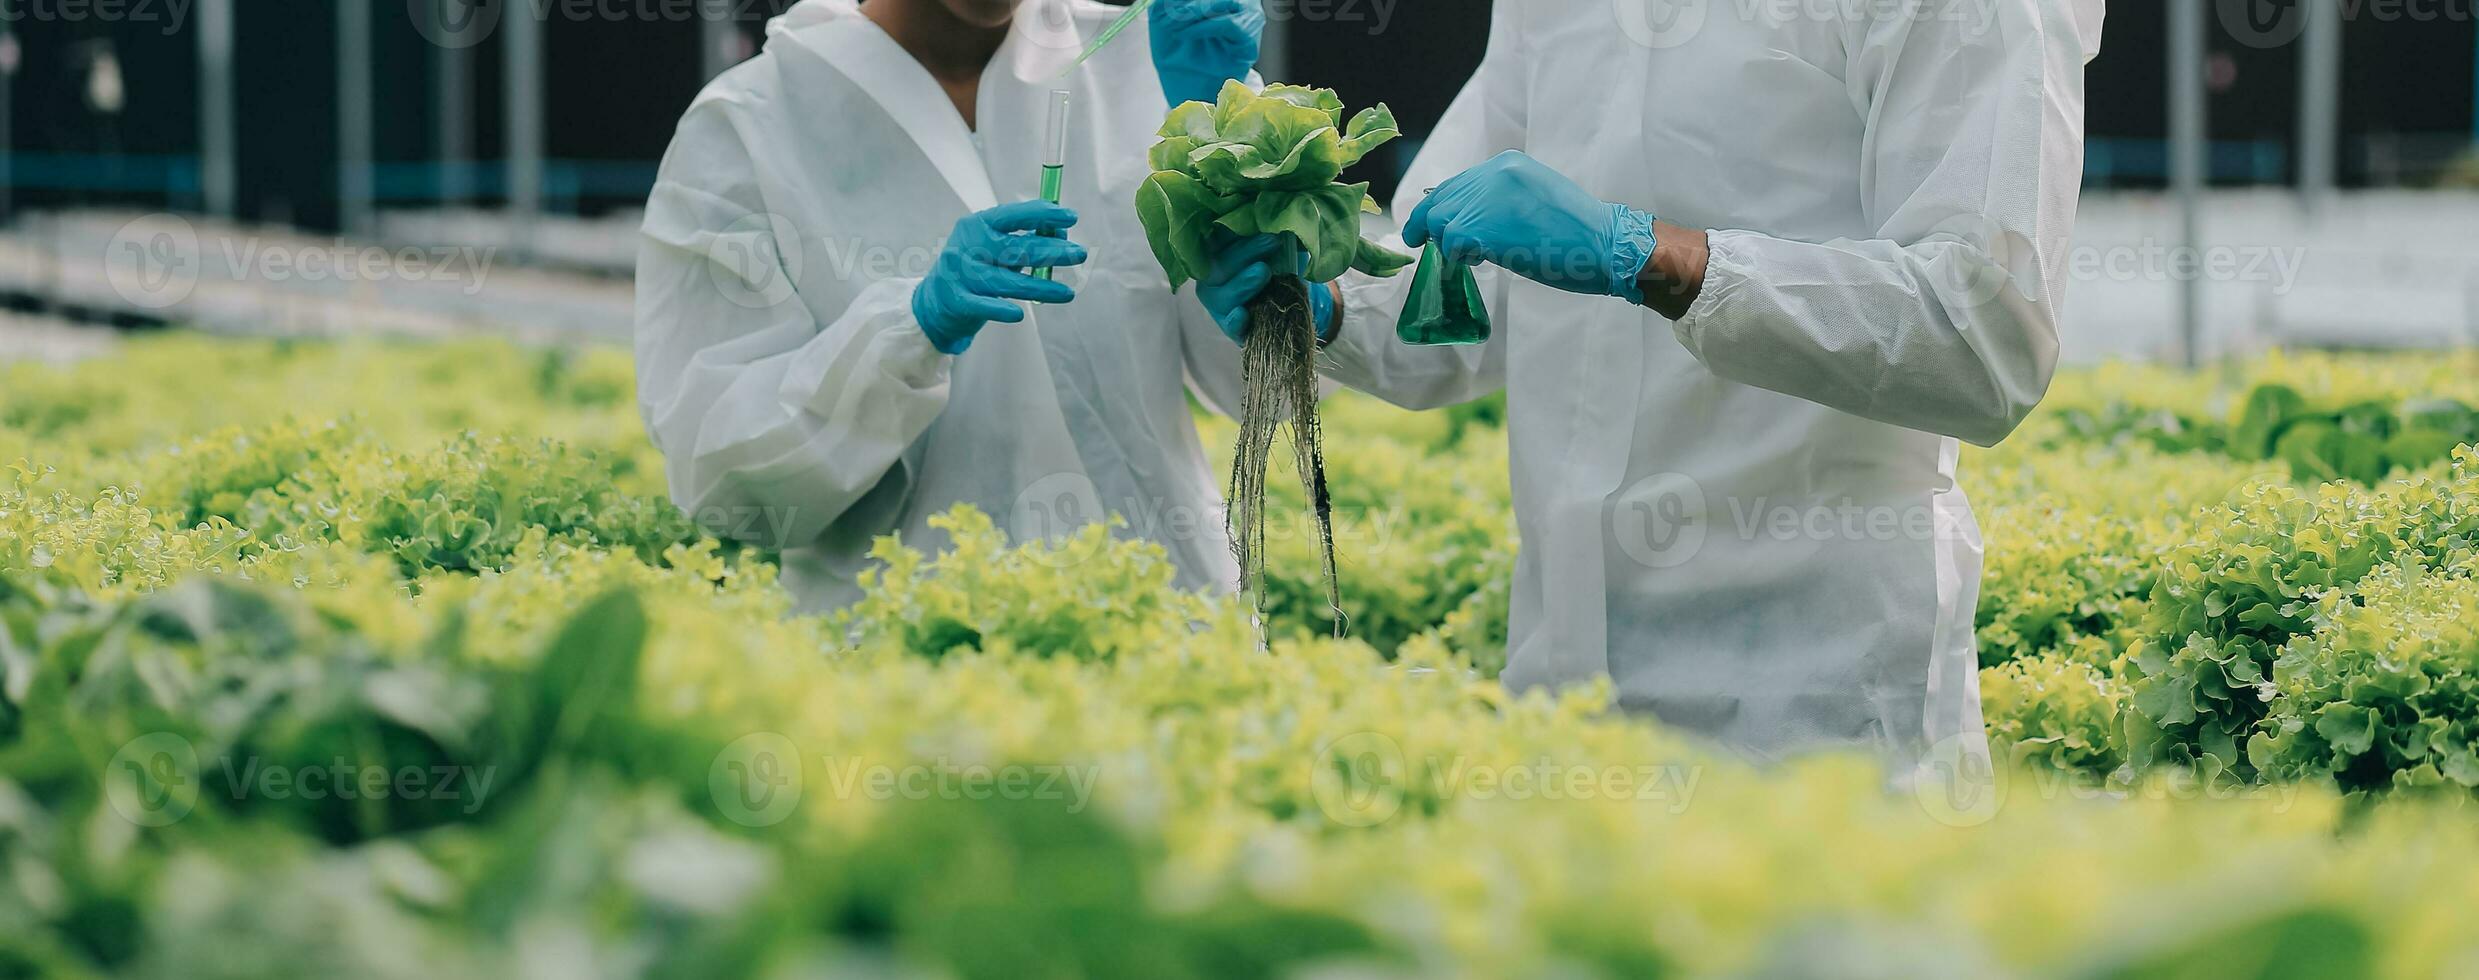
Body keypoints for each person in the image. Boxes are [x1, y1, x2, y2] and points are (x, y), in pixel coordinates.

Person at [1199, 2, 2106, 773]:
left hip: (1818, 727)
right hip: (1561, 714)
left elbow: (1983, 334)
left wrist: (1658, 258)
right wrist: (1325, 303)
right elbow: (1457, 276)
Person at [635, 0, 1266, 611]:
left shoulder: (1151, 70)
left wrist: (1230, 144)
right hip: (906, 659)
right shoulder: (749, 122)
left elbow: (1264, 386)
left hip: (1162, 630)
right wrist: (907, 332)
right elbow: (725, 480)